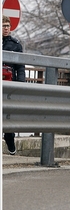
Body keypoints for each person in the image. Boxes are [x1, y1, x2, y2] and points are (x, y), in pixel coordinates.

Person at [2, 15, 24, 155]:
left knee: (8, 118)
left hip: (9, 86)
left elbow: (20, 67)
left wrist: (22, 85)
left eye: (7, 26)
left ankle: (10, 144)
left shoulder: (16, 45)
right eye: (3, 25)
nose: (5, 29)